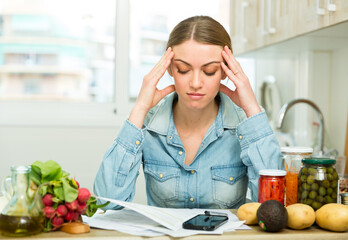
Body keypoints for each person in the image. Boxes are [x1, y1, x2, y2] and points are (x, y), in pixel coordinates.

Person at [94, 16, 282, 210]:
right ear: (169, 69)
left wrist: (251, 108)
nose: (195, 83)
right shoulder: (148, 125)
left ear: (226, 71)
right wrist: (140, 108)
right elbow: (105, 204)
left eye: (209, 71)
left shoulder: (245, 127)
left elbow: (274, 207)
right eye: (183, 69)